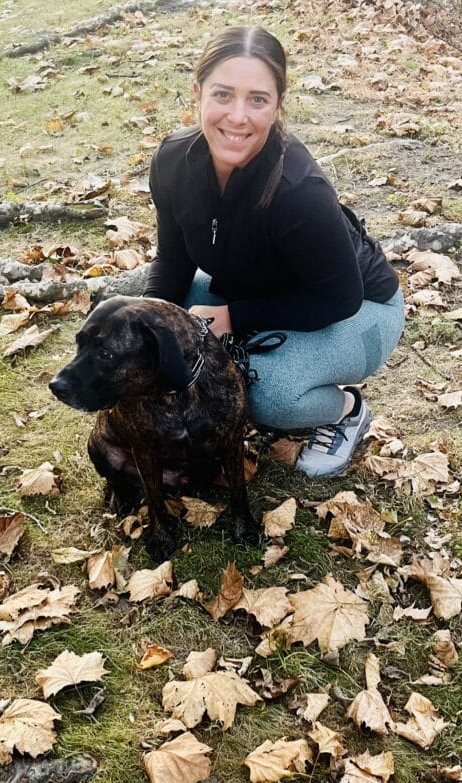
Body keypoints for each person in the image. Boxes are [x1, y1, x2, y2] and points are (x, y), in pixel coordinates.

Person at [143, 26, 405, 478]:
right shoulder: (172, 161)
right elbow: (173, 259)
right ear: (197, 92)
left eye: (258, 100)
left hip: (361, 311)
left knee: (269, 395)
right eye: (223, 94)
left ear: (278, 104)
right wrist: (150, 323)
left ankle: (346, 411)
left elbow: (338, 298)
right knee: (141, 317)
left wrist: (232, 317)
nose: (238, 117)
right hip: (259, 292)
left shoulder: (298, 191)